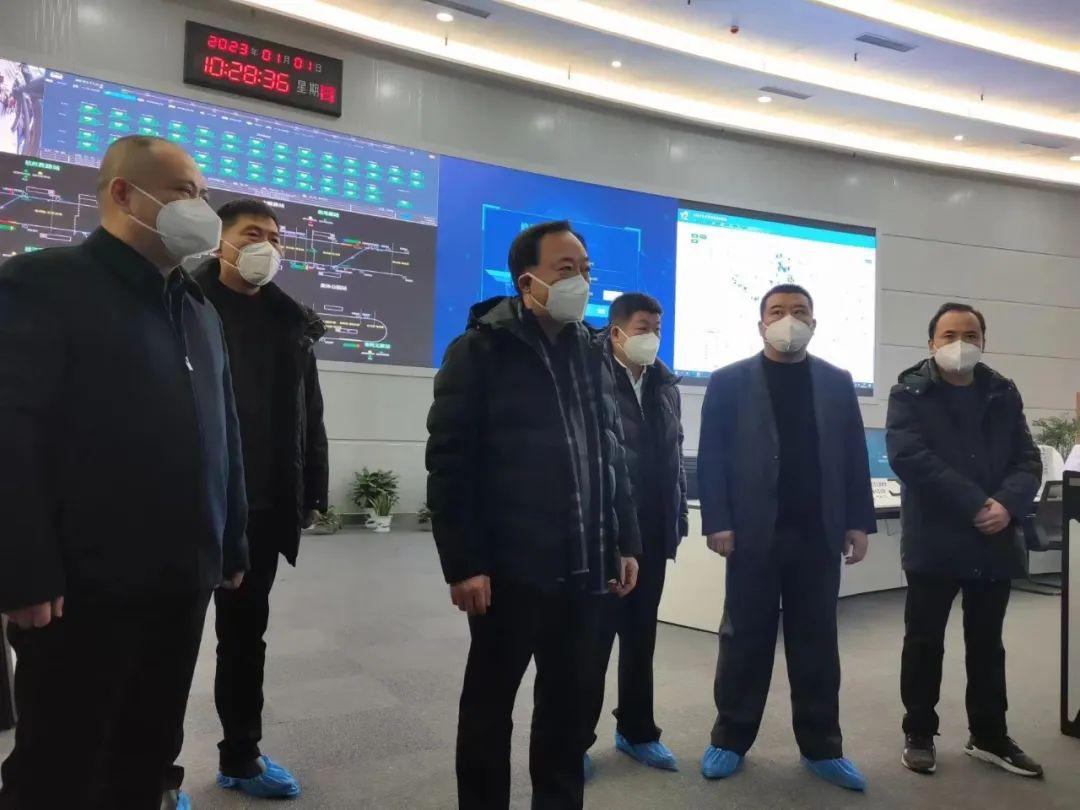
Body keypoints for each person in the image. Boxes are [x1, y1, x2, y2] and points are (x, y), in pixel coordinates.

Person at [0, 135, 248, 810]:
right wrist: (22, 567)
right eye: (185, 192)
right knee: (59, 763)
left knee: (147, 753)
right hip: (82, 586)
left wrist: (231, 541)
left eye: (204, 195)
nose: (202, 209)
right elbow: (10, 433)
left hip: (182, 579)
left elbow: (223, 433)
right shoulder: (42, 284)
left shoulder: (197, 309)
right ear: (123, 194)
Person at [426, 220, 642, 809]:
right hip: (511, 569)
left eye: (586, 270)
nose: (582, 282)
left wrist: (625, 540)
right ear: (527, 282)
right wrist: (464, 564)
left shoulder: (595, 352)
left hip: (585, 568)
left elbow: (612, 454)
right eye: (566, 270)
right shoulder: (479, 350)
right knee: (489, 708)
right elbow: (450, 464)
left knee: (567, 711)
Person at [697, 284, 876, 791]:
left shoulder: (837, 382)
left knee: (816, 642)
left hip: (817, 533)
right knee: (744, 639)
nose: (788, 319)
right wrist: (717, 520)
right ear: (761, 324)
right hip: (753, 533)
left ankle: (822, 747)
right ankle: (730, 738)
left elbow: (853, 455)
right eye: (777, 311)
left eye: (799, 312)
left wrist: (858, 521)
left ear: (814, 324)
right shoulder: (728, 381)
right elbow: (712, 456)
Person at [191, 198, 329, 799]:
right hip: (190, 507)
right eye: (253, 234)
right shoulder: (183, 303)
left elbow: (309, 413)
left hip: (262, 509)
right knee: (164, 647)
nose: (267, 247)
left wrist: (312, 489)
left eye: (276, 238)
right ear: (220, 241)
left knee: (245, 640)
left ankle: (241, 757)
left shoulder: (289, 320)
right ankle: (156, 776)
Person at [886, 302, 1043, 778]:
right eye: (950, 335)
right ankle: (919, 732)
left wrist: (1006, 504)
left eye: (970, 335)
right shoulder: (909, 391)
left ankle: (989, 735)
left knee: (987, 643)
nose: (960, 344)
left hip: (994, 538)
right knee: (924, 641)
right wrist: (976, 503)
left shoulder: (1002, 391)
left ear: (984, 341)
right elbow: (909, 457)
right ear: (931, 343)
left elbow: (1027, 459)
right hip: (935, 539)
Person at [582, 293, 687, 775]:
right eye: (644, 328)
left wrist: (675, 522)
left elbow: (673, 457)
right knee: (594, 642)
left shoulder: (664, 382)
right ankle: (575, 741)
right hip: (606, 532)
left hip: (653, 532)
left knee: (641, 639)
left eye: (658, 329)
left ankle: (637, 732)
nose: (653, 337)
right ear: (617, 331)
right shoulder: (590, 374)